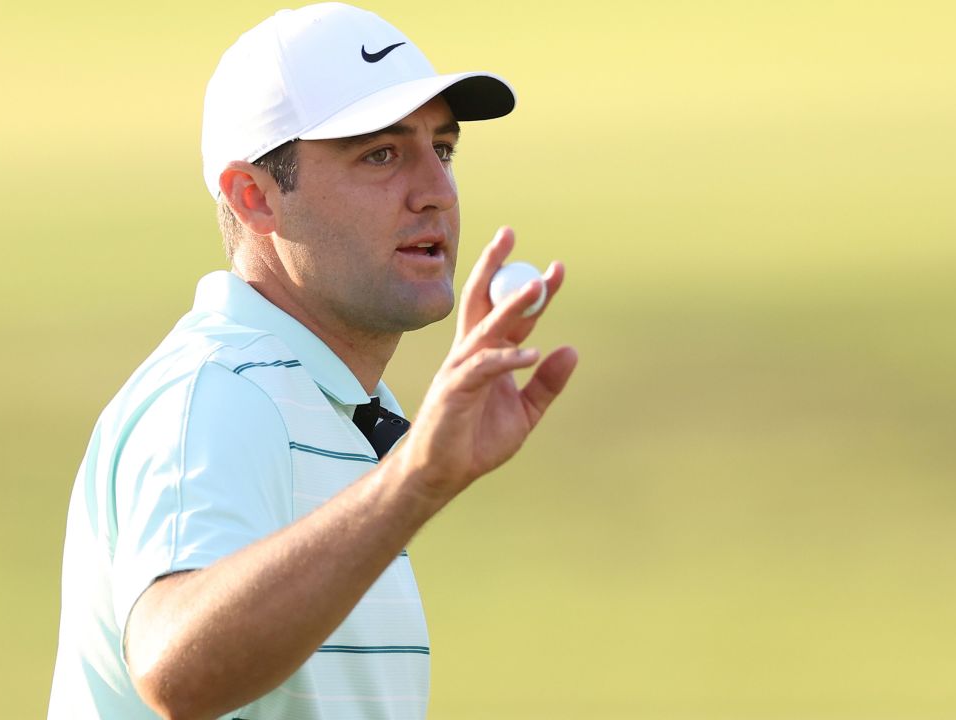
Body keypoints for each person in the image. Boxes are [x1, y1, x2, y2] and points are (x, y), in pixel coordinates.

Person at [47, 3, 577, 718]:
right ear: (255, 197)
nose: (438, 192)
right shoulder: (218, 393)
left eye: (442, 149)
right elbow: (176, 670)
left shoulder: (341, 408)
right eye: (381, 154)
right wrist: (415, 480)